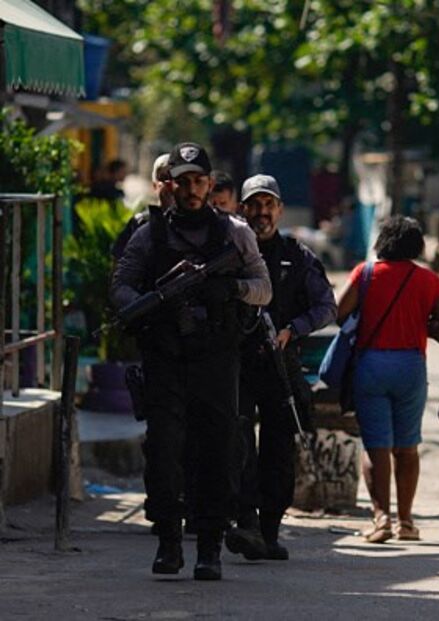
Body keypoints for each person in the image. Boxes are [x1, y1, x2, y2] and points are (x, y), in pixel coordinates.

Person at [111, 142, 272, 580]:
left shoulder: (233, 233)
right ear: (171, 185)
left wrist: (233, 290)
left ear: (209, 182)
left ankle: (209, 547)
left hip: (215, 361)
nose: (192, 189)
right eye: (183, 182)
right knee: (163, 451)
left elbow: (263, 286)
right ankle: (168, 539)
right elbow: (122, 286)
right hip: (165, 359)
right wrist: (151, 303)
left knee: (216, 453)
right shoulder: (150, 234)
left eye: (199, 180)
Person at [225, 174, 336, 561]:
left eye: (268, 205)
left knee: (279, 448)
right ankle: (245, 522)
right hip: (236, 361)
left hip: (279, 364)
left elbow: (326, 306)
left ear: (280, 209)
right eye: (254, 205)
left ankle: (269, 531)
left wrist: (294, 329)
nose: (262, 213)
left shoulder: (298, 255)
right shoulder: (229, 251)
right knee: (237, 442)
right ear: (242, 209)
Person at [335, 215, 439, 543]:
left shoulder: (366, 273)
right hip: (411, 366)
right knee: (407, 447)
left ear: (382, 241)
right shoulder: (429, 281)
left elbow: (337, 311)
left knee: (376, 447)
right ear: (417, 245)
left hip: (371, 365)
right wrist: (425, 325)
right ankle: (406, 521)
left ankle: (381, 518)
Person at [111, 153, 169, 260]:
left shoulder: (198, 224)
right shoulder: (140, 222)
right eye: (164, 178)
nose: (170, 184)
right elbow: (118, 264)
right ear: (155, 185)